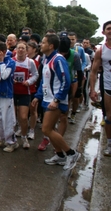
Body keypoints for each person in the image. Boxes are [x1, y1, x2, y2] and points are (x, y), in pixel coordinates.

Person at [32, 33, 81, 171]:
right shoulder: (46, 59)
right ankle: (60, 155)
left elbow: (66, 81)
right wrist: (38, 96)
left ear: (51, 45)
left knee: (46, 129)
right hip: (47, 99)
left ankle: (72, 153)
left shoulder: (58, 59)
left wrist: (57, 99)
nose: (41, 44)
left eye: (43, 42)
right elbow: (44, 81)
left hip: (56, 101)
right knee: (50, 130)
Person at [90, 20, 111, 156]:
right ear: (103, 32)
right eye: (108, 28)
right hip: (108, 86)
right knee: (109, 116)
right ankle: (110, 144)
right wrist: (92, 90)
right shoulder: (101, 50)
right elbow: (93, 71)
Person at [12, 42, 39, 149]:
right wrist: (11, 79)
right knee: (13, 117)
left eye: (23, 48)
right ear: (16, 50)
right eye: (19, 48)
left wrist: (29, 81)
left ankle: (24, 137)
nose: (21, 50)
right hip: (13, 92)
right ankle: (12, 137)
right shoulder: (12, 61)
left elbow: (36, 75)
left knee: (23, 117)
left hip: (25, 92)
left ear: (26, 50)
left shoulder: (30, 62)